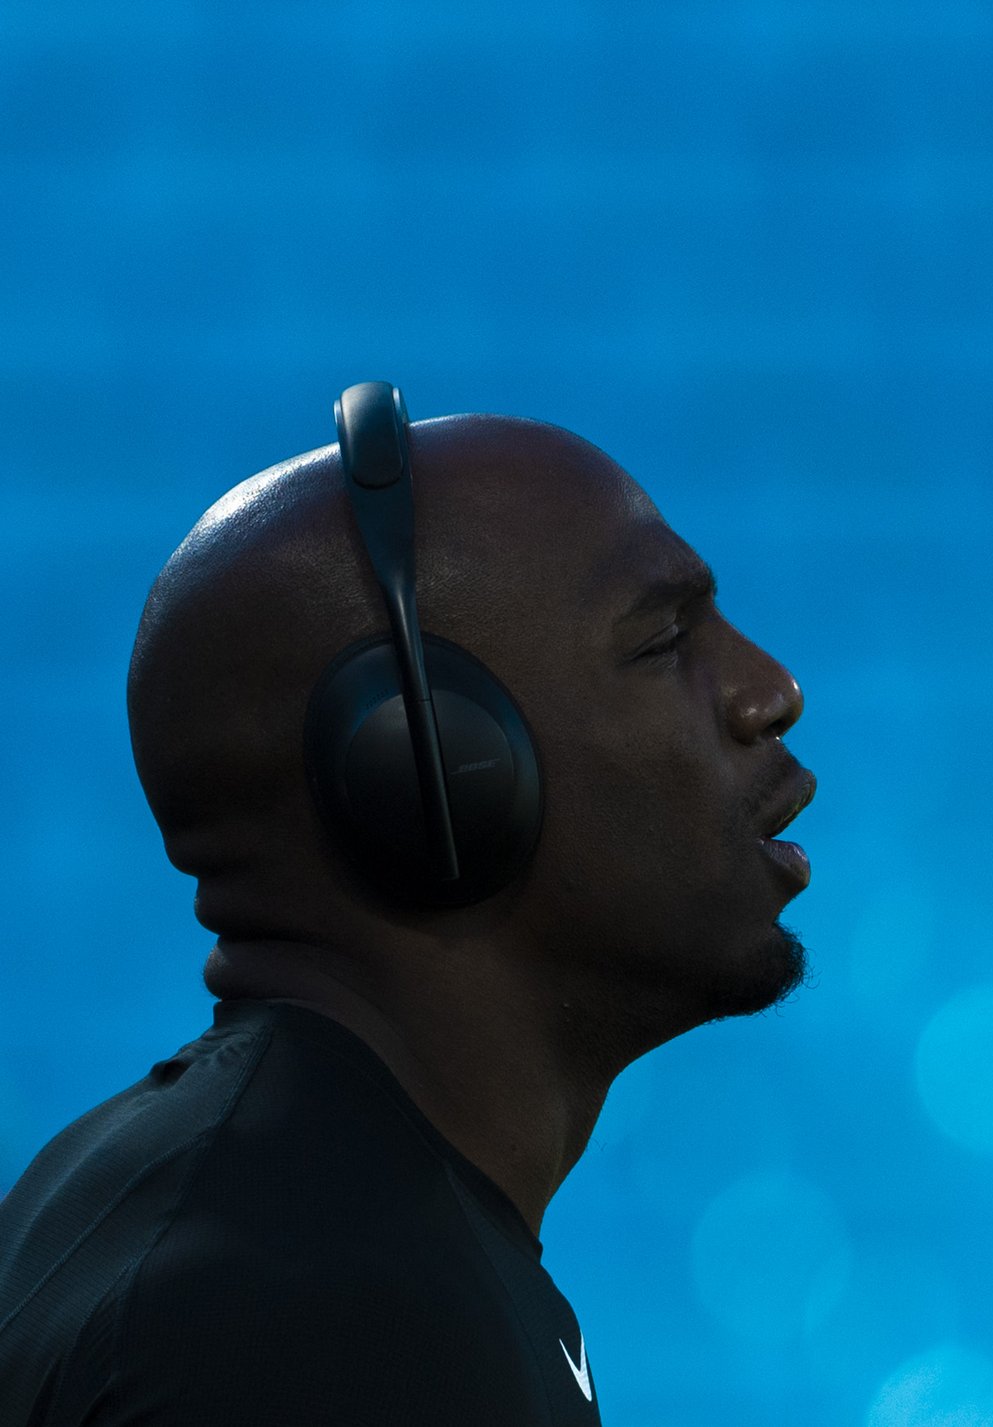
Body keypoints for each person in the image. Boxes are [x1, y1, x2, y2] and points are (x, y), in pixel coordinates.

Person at [0, 396, 814, 1425]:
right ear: (424, 766)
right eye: (662, 640)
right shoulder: (311, 1311)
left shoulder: (277, 1222)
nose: (767, 690)